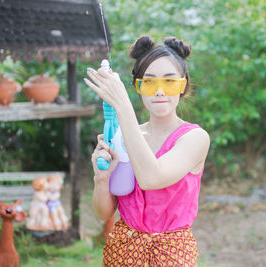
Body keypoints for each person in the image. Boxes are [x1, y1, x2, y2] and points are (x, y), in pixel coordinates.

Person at [84, 35, 210, 266]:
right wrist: (101, 179)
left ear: (183, 85)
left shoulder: (195, 138)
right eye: (149, 82)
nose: (160, 91)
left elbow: (151, 178)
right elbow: (104, 214)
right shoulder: (125, 135)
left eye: (170, 81)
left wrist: (122, 106)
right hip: (123, 250)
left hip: (172, 254)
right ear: (138, 86)